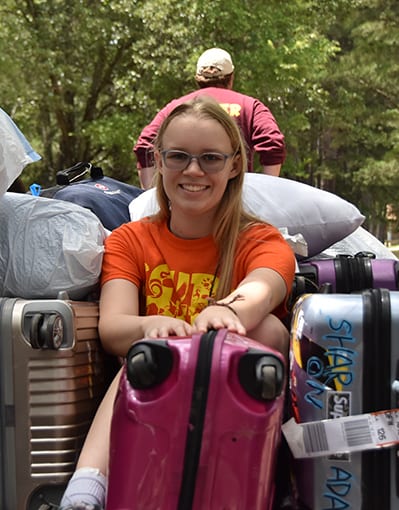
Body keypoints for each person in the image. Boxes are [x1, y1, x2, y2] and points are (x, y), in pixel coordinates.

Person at [60, 96, 296, 510]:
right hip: (153, 406)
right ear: (159, 160)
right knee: (148, 354)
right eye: (179, 156)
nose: (192, 170)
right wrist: (152, 328)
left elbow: (265, 286)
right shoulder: (129, 240)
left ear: (235, 165)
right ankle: (84, 493)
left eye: (210, 158)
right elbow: (113, 327)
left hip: (239, 412)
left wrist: (227, 312)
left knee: (267, 329)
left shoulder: (260, 240)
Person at [134, 47, 285, 189]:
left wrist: (150, 196)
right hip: (236, 202)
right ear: (231, 77)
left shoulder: (177, 106)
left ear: (198, 78)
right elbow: (273, 142)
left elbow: (144, 145)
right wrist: (266, 192)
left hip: (187, 196)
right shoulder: (250, 106)